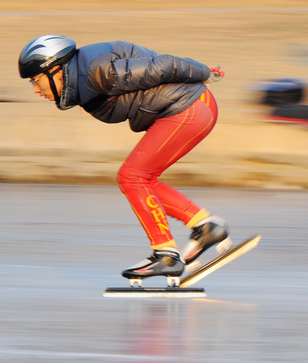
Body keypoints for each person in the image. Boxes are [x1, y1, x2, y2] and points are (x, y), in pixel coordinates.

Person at [18, 35, 231, 282]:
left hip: (189, 108)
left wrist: (204, 72)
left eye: (35, 80)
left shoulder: (99, 72)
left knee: (132, 177)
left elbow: (164, 67)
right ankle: (206, 226)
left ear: (55, 70)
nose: (35, 89)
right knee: (142, 180)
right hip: (192, 108)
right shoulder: (82, 79)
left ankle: (166, 256)